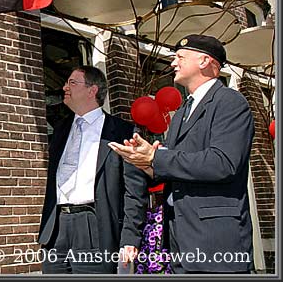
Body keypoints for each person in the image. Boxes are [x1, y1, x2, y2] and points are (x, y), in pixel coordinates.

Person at [109, 34, 255, 274]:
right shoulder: (183, 110)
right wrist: (146, 164)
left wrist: (157, 159)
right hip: (181, 241)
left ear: (204, 61)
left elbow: (223, 163)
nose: (173, 63)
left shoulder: (230, 102)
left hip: (215, 242)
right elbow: (179, 167)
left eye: (180, 57)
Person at [38, 65, 149, 274]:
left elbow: (135, 192)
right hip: (56, 230)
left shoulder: (122, 132)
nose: (64, 87)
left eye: (72, 82)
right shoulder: (60, 130)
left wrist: (130, 238)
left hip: (95, 227)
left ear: (92, 90)